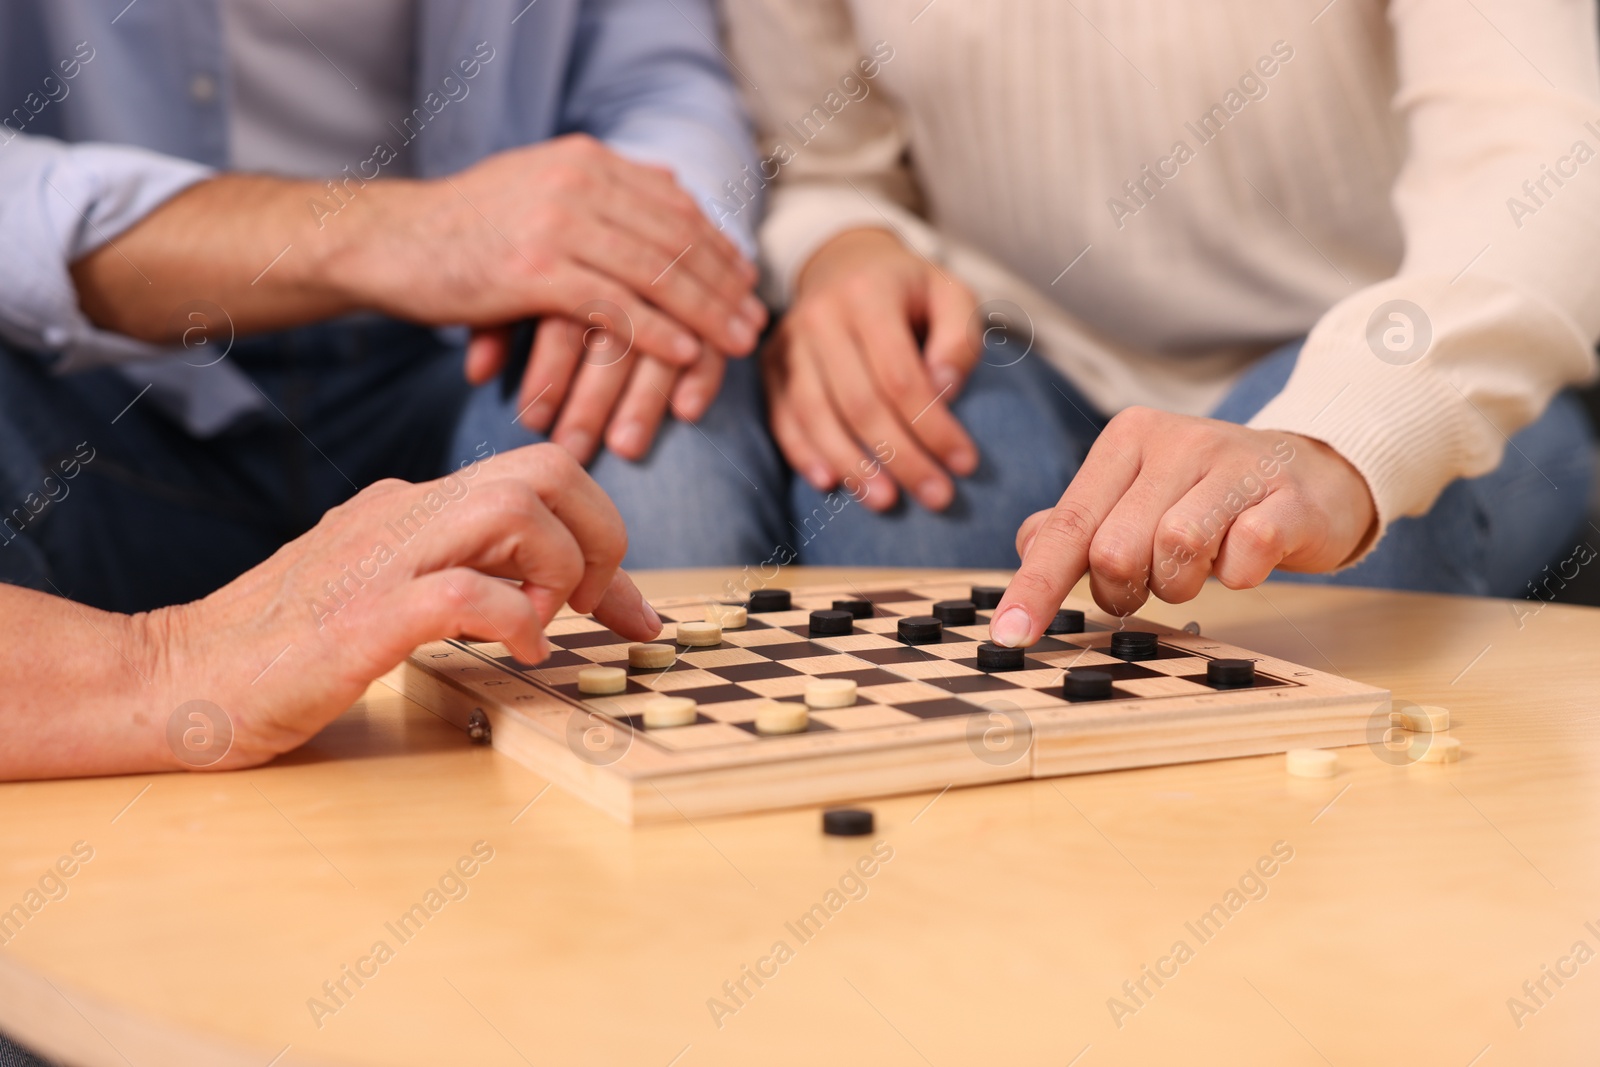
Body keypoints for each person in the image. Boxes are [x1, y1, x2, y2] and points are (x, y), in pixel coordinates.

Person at [721, 0, 1600, 645]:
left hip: (1370, 348)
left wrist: (1341, 433)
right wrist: (843, 245)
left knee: (1307, 571)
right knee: (902, 520)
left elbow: (1548, 163)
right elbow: (828, 160)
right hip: (1016, 343)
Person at [0, 0, 788, 617]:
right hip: (87, 377)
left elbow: (659, 81)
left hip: (476, 345)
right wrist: (386, 233)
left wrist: (633, 258)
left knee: (650, 452)